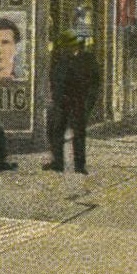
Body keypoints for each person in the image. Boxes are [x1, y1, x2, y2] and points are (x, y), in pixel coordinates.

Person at [46, 31, 102, 174]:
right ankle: (57, 163)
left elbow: (95, 82)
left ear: (76, 46)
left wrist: (89, 101)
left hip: (79, 101)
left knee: (79, 133)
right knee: (56, 131)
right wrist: (56, 96)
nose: (66, 49)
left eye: (69, 46)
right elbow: (54, 77)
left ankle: (80, 165)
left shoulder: (88, 60)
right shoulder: (61, 59)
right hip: (62, 101)